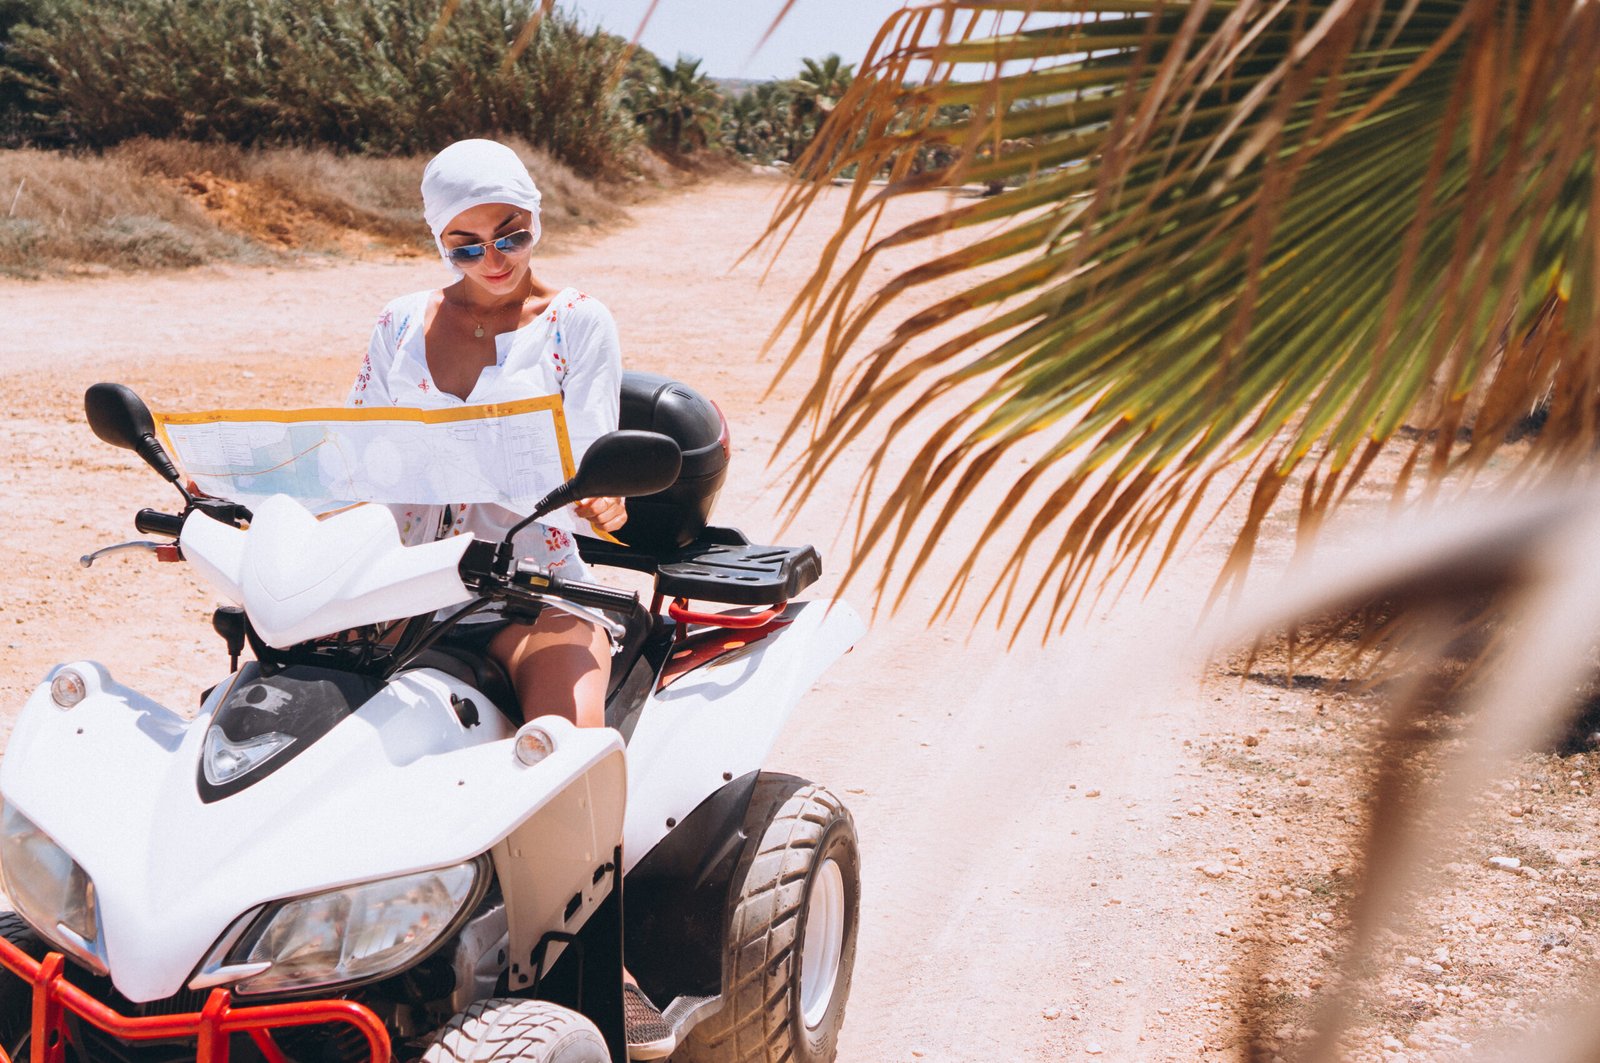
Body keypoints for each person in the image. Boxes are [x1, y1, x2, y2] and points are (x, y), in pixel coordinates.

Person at [347, 139, 676, 1059]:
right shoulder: (398, 324)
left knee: (562, 759)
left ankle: (592, 958)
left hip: (538, 584)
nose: (492, 260)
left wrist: (604, 492)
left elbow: (590, 452)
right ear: (436, 240)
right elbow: (358, 450)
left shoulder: (577, 322)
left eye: (511, 233)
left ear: (535, 219)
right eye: (465, 243)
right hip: (409, 582)